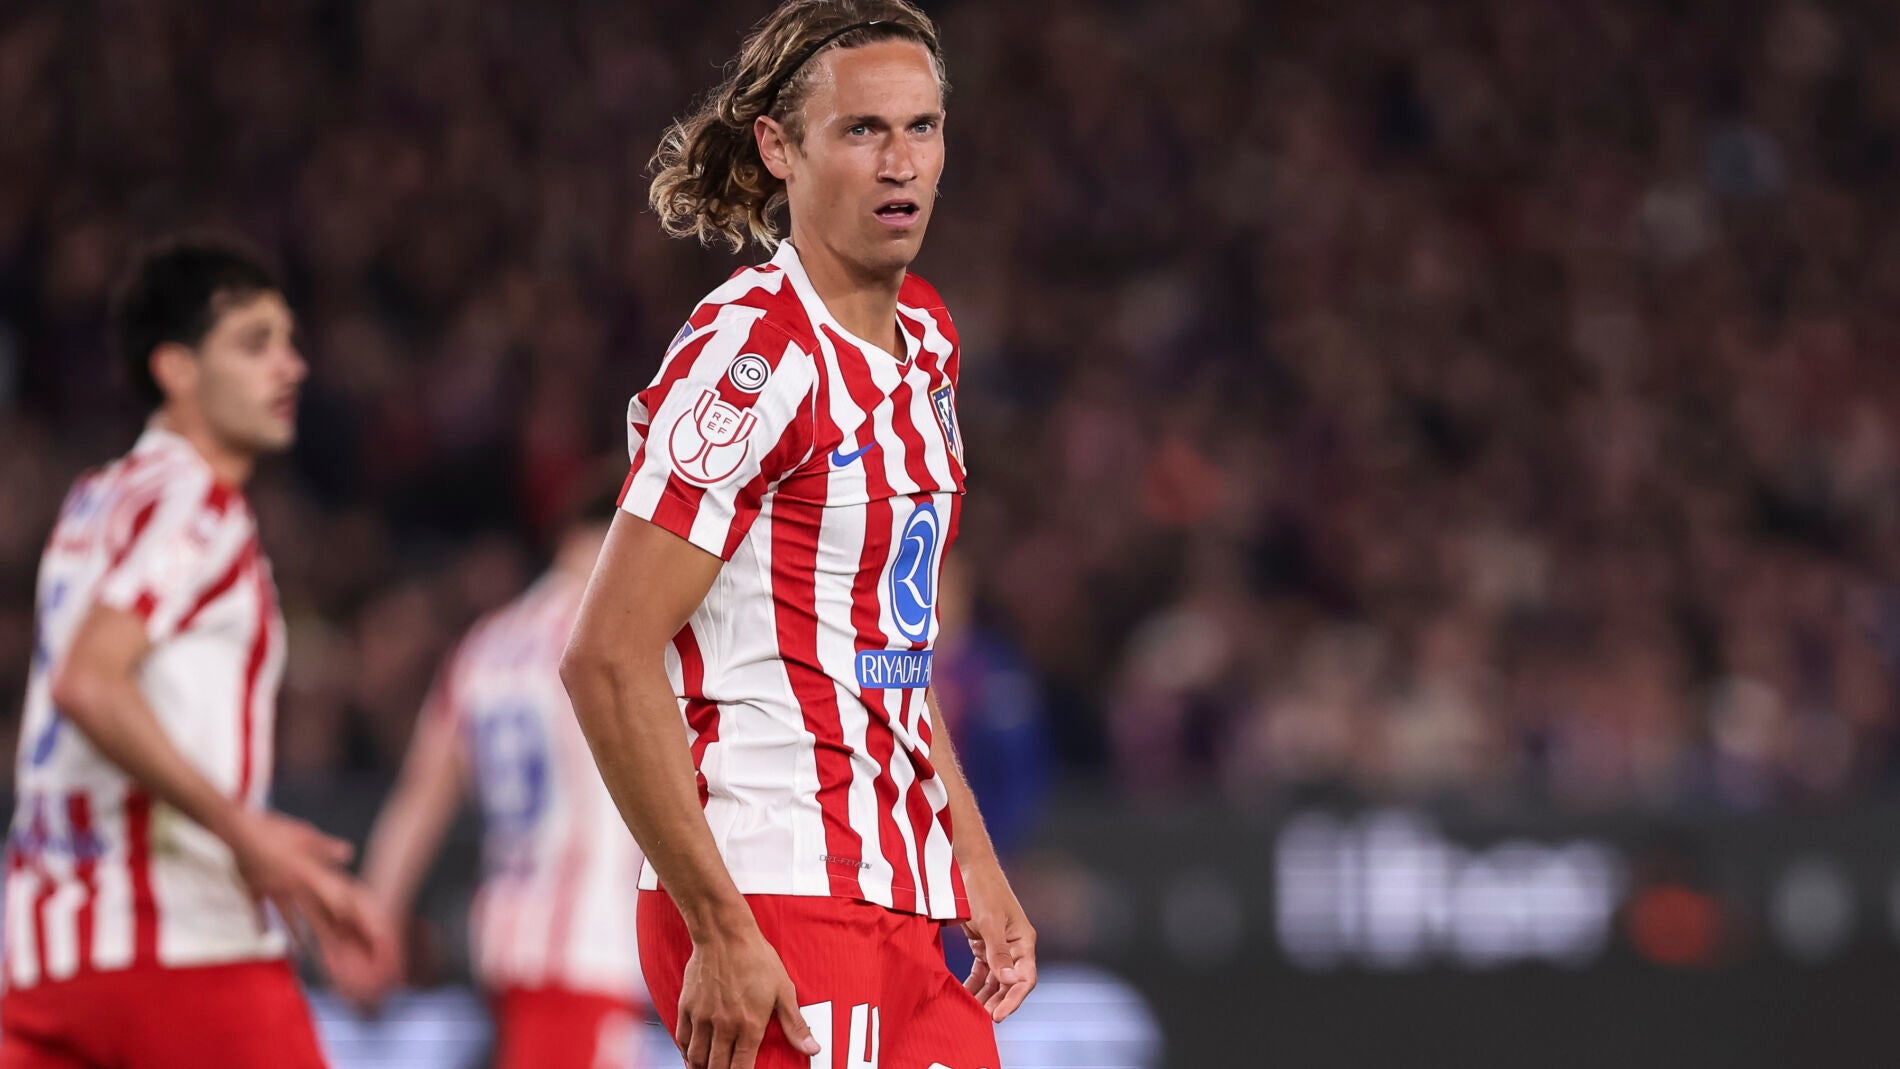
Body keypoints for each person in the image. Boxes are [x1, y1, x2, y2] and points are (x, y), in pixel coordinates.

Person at [561, 4, 1036, 1069]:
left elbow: (886, 646)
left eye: (921, 126)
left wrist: (970, 859)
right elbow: (603, 657)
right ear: (780, 148)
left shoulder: (928, 343)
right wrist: (721, 928)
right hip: (774, 883)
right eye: (862, 130)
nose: (900, 160)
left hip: (899, 884)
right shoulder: (754, 357)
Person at [1, 237, 385, 1068]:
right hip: (174, 945)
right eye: (255, 343)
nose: (292, 367)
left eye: (288, 340)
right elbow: (90, 685)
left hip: (45, 951)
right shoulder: (197, 505)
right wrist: (242, 832)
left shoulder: (93, 499)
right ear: (174, 367)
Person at [335, 481, 650, 1069]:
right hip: (589, 943)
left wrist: (376, 917)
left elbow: (419, 799)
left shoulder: (485, 644)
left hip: (505, 939)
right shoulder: (616, 640)